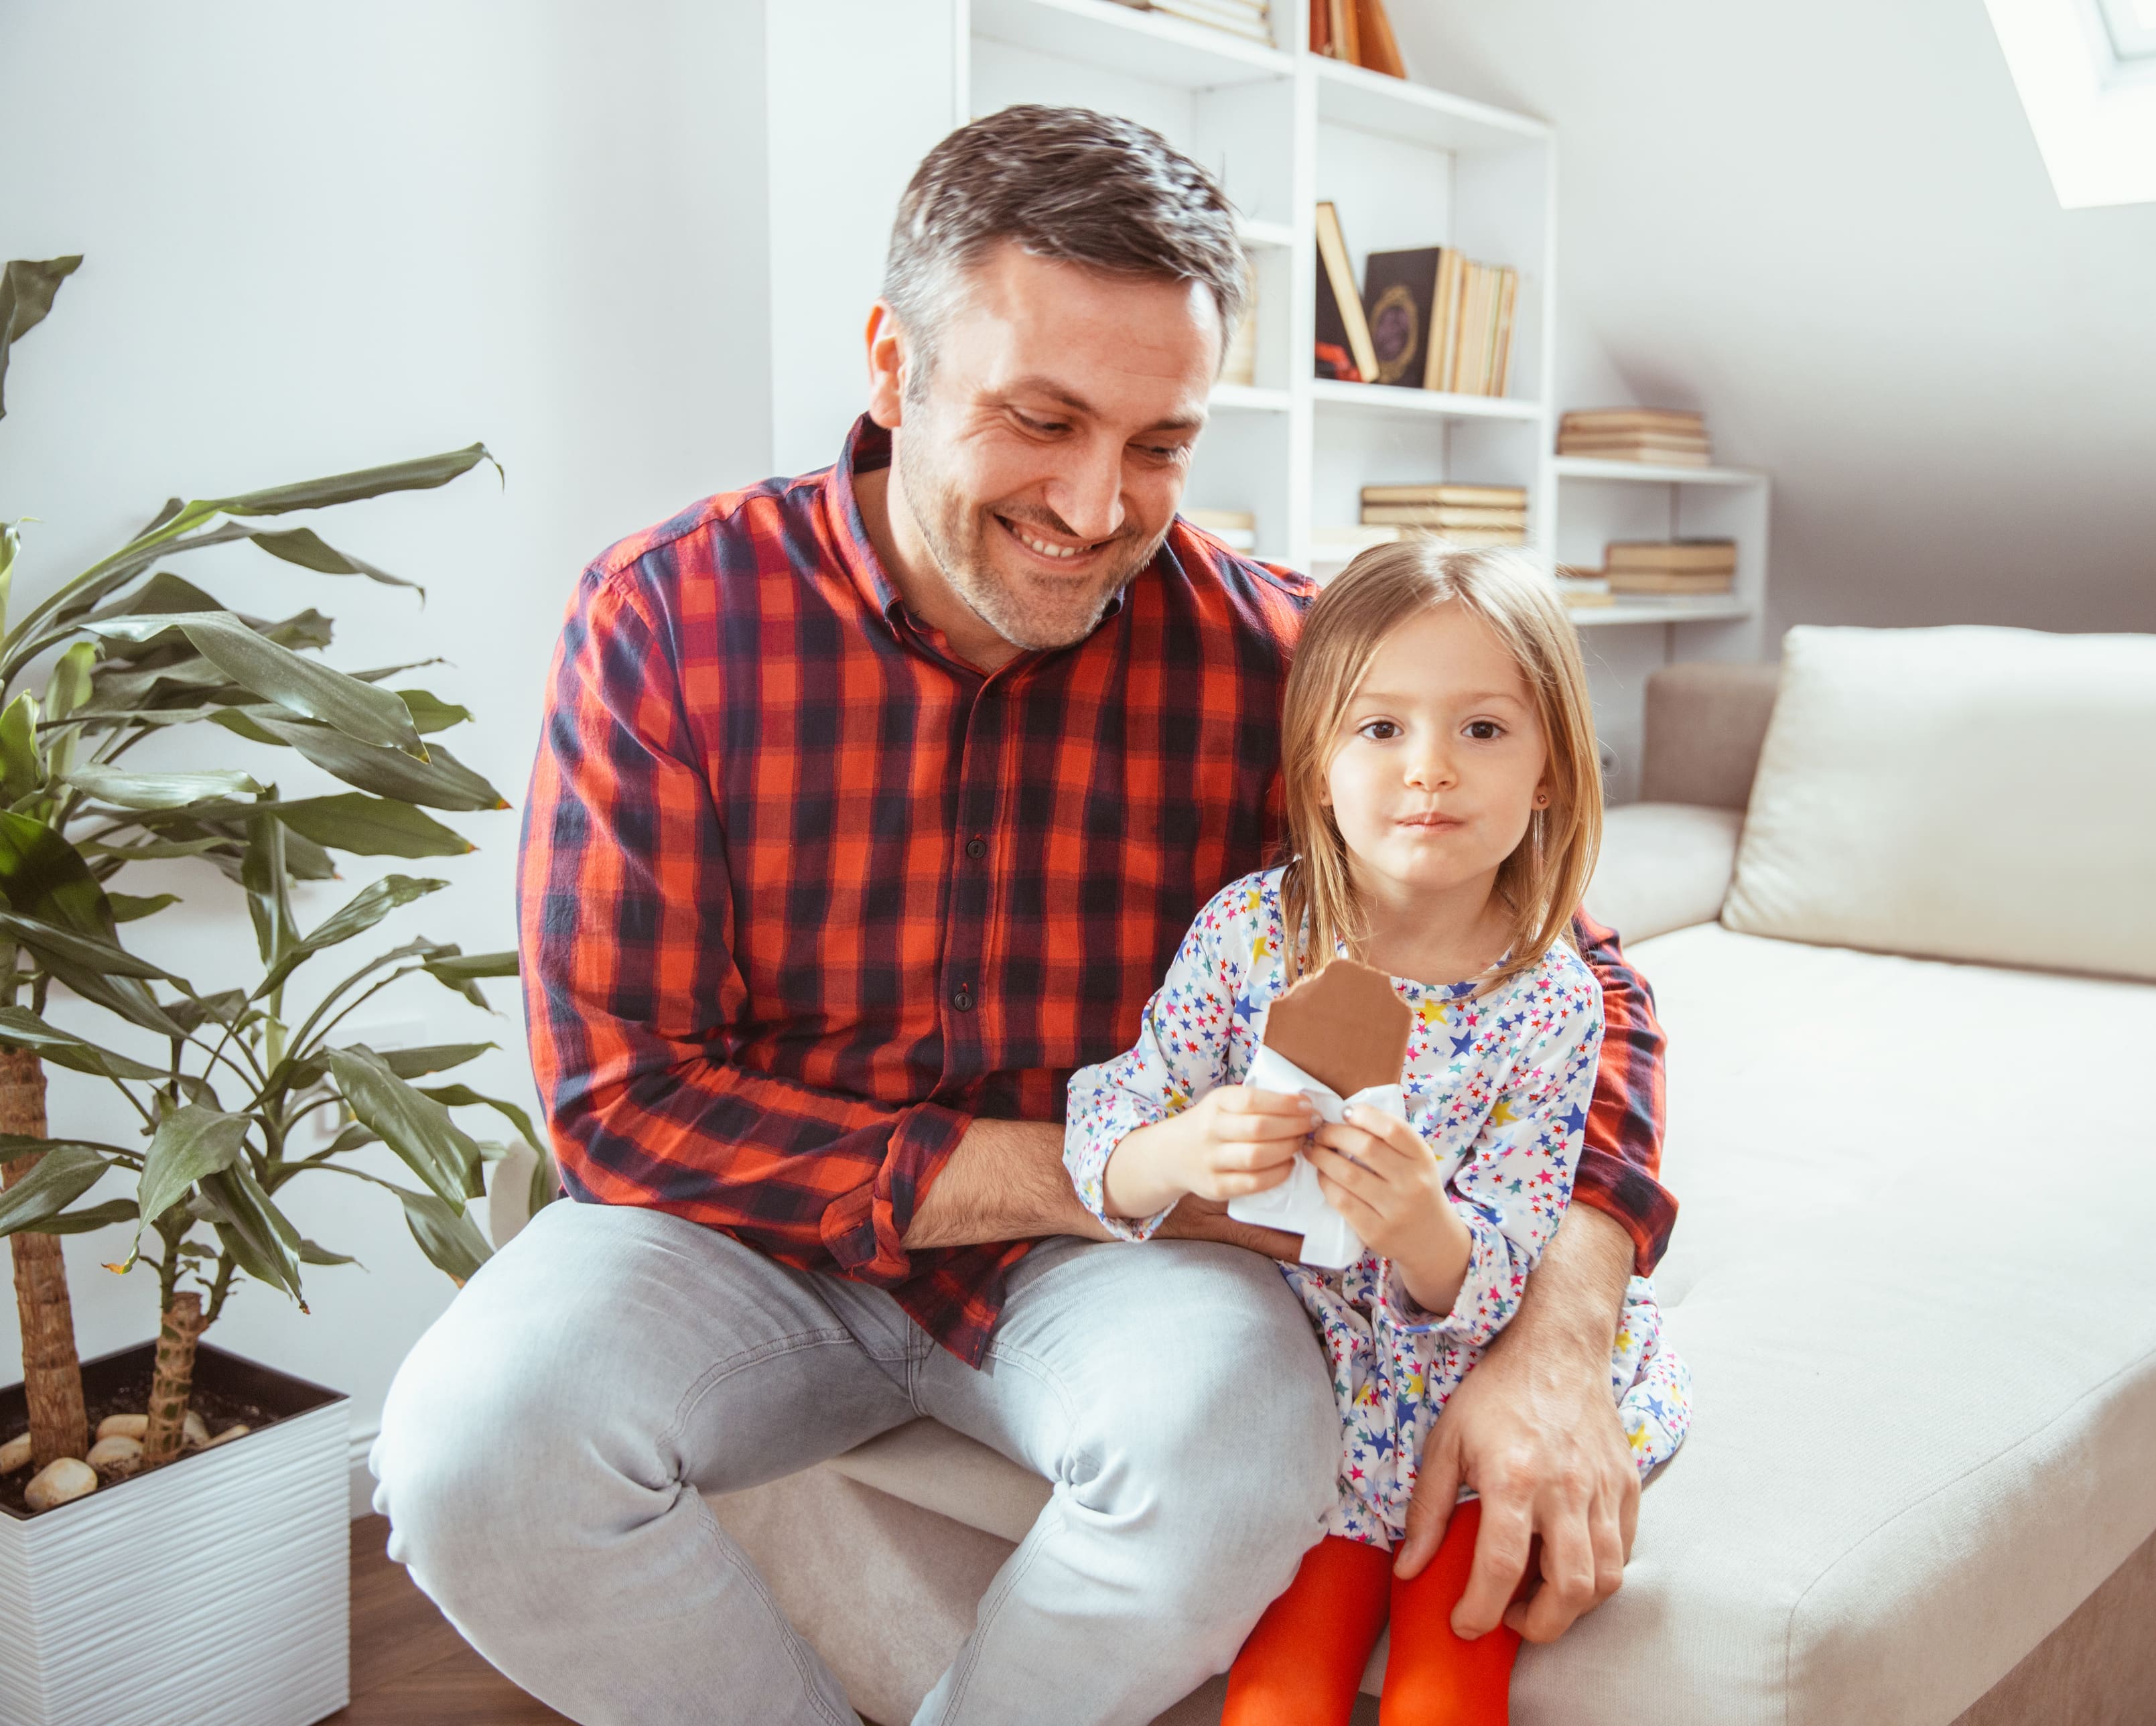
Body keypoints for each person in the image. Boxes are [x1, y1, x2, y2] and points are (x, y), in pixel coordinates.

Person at [369, 104, 1677, 1726]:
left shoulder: (1273, 662)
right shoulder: (668, 618)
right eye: (1040, 418)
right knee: (464, 1455)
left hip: (1107, 1267)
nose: (1094, 502)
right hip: (760, 1237)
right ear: (892, 365)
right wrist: (1100, 1164)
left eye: (1160, 443)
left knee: (1245, 1444)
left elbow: (1573, 962)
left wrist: (1557, 1330)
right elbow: (620, 1106)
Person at [1065, 545, 1690, 1725]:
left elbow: (1508, 1246)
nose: (1431, 773)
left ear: (1553, 768)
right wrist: (1184, 1150)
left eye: (1486, 732)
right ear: (1316, 759)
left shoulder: (1554, 1000)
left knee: (1443, 1690)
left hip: (1465, 1390)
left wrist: (1422, 1229)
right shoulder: (1251, 938)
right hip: (1307, 1394)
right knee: (1280, 1693)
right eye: (1382, 729)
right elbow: (1113, 1115)